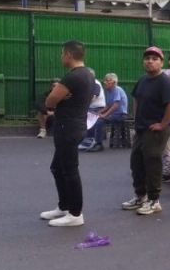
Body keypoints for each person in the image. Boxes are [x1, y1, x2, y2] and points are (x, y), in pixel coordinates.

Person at [39, 40, 95, 227]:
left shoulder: (73, 77)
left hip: (68, 128)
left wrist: (58, 97)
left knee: (70, 170)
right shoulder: (88, 74)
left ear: (69, 55)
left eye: (62, 53)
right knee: (57, 168)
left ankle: (75, 214)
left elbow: (50, 101)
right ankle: (64, 206)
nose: (61, 57)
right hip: (74, 125)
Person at [120, 46, 170, 216]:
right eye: (147, 58)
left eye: (154, 59)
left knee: (152, 163)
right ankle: (140, 196)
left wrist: (162, 124)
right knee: (136, 163)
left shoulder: (165, 81)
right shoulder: (143, 80)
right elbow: (136, 98)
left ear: (161, 62)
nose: (150, 61)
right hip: (141, 128)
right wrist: (136, 118)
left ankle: (154, 201)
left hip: (155, 131)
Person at [91, 73, 128, 151]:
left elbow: (115, 105)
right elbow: (108, 106)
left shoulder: (117, 89)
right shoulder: (109, 91)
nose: (105, 82)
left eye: (108, 80)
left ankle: (99, 144)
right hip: (115, 114)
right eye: (105, 80)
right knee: (97, 117)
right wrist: (99, 113)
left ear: (114, 82)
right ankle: (95, 141)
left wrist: (105, 115)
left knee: (100, 121)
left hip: (121, 115)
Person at [78, 70, 106, 151]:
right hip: (90, 107)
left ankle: (96, 143)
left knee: (89, 120)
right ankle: (86, 141)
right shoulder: (87, 83)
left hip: (98, 108)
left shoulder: (95, 83)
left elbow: (93, 97)